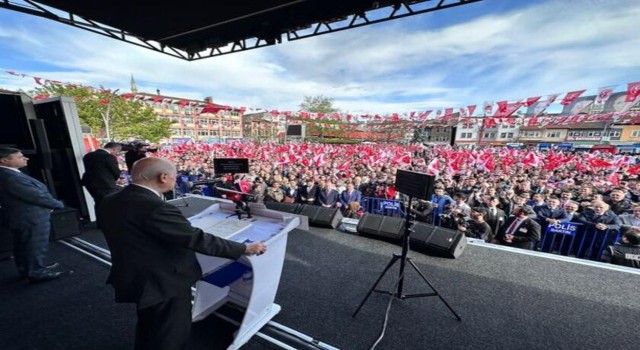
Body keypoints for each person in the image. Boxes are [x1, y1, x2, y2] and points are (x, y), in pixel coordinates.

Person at [97, 157, 267, 350]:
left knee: (149, 325)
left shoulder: (110, 199)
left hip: (135, 276)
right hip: (163, 282)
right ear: (163, 177)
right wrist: (245, 248)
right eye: (174, 177)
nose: (175, 181)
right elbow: (196, 239)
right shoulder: (155, 207)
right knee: (170, 332)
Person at [0, 148, 64, 282]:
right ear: (5, 161)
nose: (25, 158)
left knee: (23, 245)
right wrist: (57, 204)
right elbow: (36, 196)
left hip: (21, 216)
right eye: (19, 156)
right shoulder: (10, 177)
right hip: (29, 217)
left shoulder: (8, 173)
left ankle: (28, 269)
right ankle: (36, 273)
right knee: (34, 245)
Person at [81, 142, 123, 208]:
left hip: (89, 183)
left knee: (98, 203)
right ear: (115, 149)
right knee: (109, 204)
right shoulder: (109, 156)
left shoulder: (88, 155)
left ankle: (99, 217)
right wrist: (116, 180)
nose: (116, 154)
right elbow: (115, 172)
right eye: (117, 152)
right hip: (105, 184)